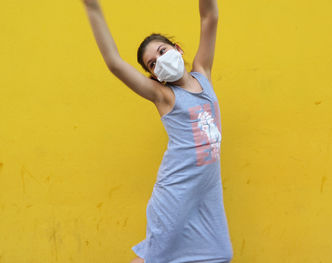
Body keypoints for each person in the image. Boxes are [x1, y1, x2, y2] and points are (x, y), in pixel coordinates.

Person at [81, 0, 234, 262]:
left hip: (206, 194)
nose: (160, 61)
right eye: (152, 64)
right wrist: (92, 7)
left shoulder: (203, 74)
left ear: (178, 49)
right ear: (155, 76)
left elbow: (210, 17)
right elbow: (114, 63)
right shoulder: (163, 96)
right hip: (175, 194)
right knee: (155, 258)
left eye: (163, 51)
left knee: (220, 254)